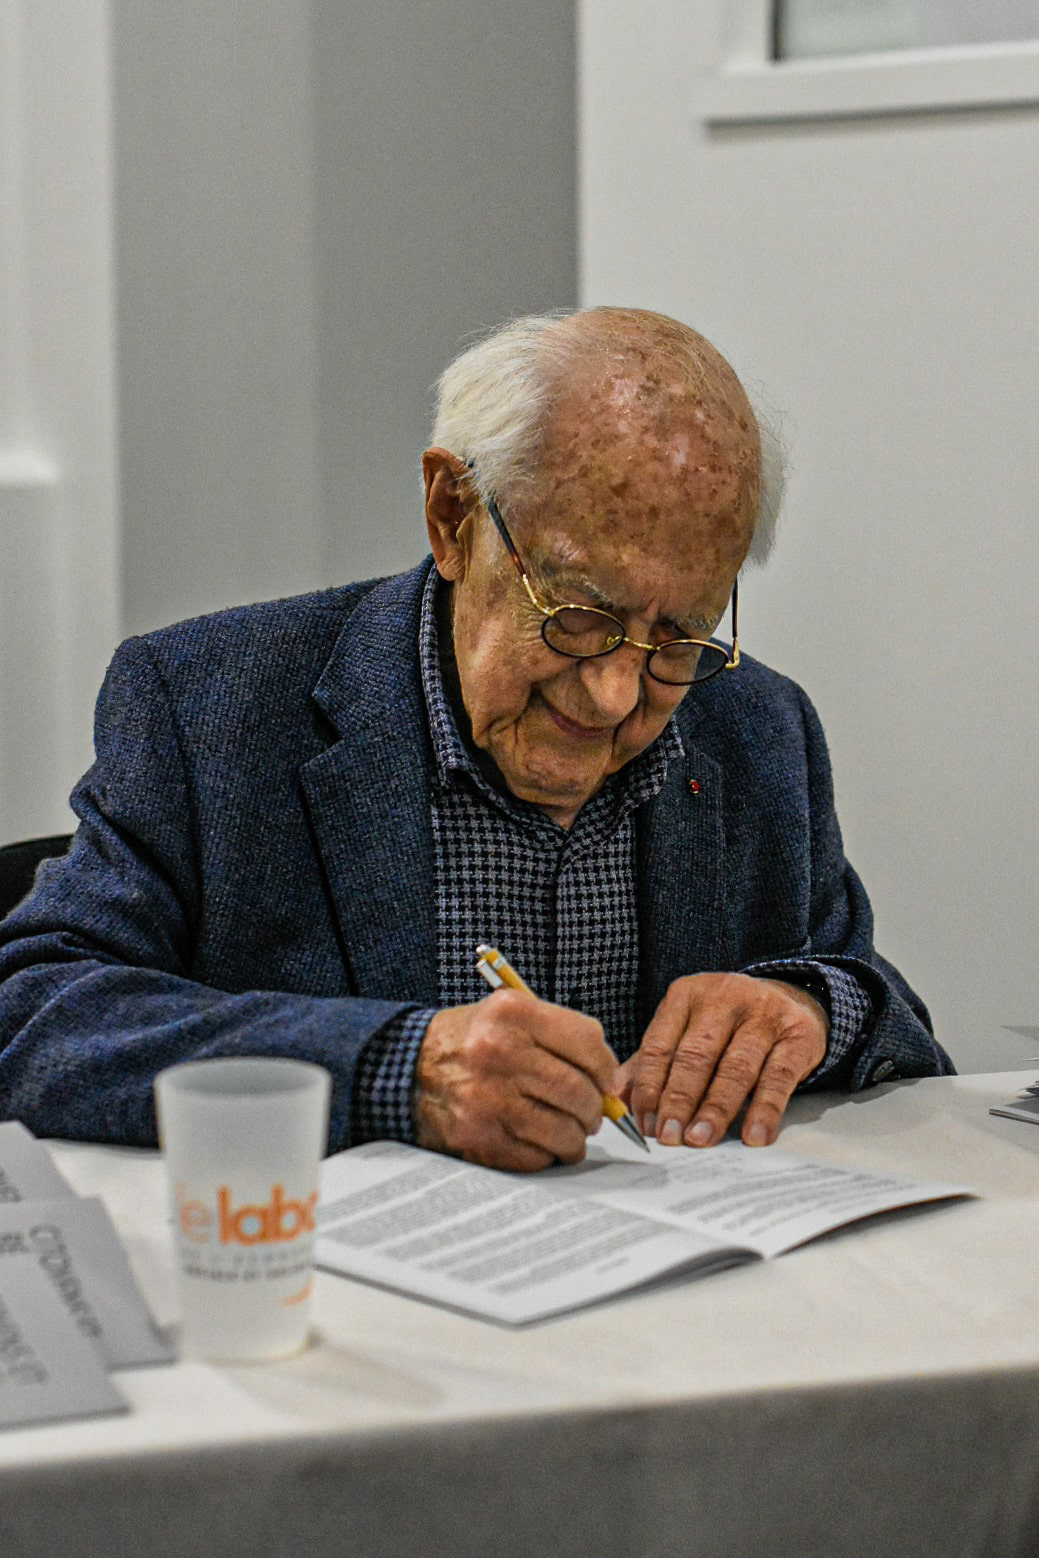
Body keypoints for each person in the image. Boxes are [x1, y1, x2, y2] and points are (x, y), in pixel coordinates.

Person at [0, 307, 952, 1168]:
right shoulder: (210, 706)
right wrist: (396, 1068)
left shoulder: (759, 728)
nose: (615, 694)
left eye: (677, 636)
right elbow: (33, 1016)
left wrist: (810, 1007)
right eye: (577, 616)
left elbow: (887, 1009)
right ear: (452, 517)